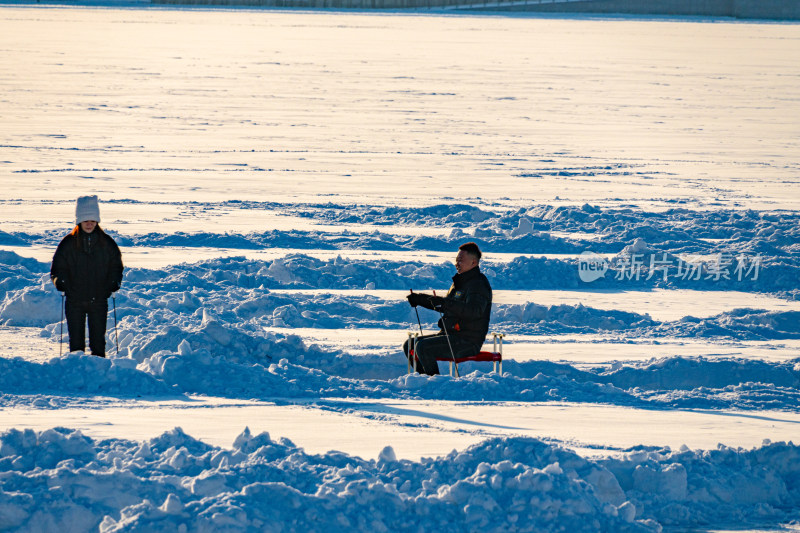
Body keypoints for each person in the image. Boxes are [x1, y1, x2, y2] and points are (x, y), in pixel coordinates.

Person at [403, 242, 492, 375]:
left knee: (423, 347)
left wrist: (445, 303)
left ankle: (435, 382)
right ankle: (422, 378)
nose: (457, 264)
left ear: (473, 262)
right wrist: (420, 299)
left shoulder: (478, 284)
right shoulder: (460, 283)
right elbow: (445, 305)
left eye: (461, 261)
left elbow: (473, 311)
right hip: (451, 335)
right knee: (409, 344)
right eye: (456, 260)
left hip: (467, 340)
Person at [51, 195, 124, 357]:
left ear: (97, 220)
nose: (89, 223)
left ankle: (99, 374)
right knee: (76, 344)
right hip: (74, 300)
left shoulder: (107, 243)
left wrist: (114, 281)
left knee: (98, 343)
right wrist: (59, 281)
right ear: (79, 221)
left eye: (92, 219)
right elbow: (57, 268)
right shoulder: (68, 243)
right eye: (85, 220)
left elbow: (116, 266)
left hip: (98, 300)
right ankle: (76, 374)